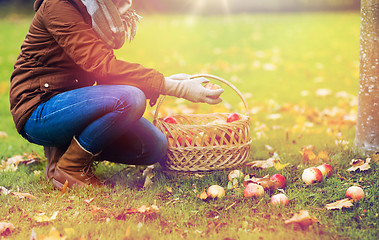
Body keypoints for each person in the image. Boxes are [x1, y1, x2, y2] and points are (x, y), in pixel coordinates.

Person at [9, 0, 223, 190]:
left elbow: (106, 79)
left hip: (75, 103)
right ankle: (70, 166)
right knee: (131, 98)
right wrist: (176, 88)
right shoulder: (58, 6)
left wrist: (168, 81)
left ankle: (65, 150)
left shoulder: (97, 10)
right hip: (39, 109)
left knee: (153, 145)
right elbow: (103, 65)